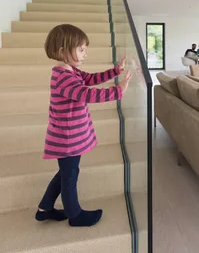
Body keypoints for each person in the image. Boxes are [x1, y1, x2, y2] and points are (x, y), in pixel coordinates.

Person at [36, 24, 133, 227]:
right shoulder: (62, 76)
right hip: (67, 138)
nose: (85, 54)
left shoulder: (72, 71)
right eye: (81, 49)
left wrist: (115, 71)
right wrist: (118, 90)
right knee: (70, 176)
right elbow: (86, 94)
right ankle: (75, 215)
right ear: (62, 50)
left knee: (66, 172)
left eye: (84, 49)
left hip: (71, 136)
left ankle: (45, 208)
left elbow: (90, 79)